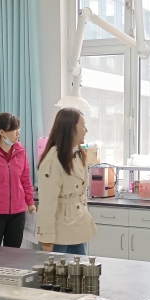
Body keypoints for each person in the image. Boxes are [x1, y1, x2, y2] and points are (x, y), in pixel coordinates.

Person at [36, 108, 97, 254]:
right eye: (82, 125)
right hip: (60, 231)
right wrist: (46, 238)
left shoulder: (78, 154)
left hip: (77, 225)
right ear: (70, 128)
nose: (86, 130)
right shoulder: (53, 160)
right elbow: (47, 203)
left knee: (81, 266)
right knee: (59, 268)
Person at [0, 113, 36, 248]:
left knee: (14, 253)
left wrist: (30, 202)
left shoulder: (20, 151)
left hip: (18, 211)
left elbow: (25, 179)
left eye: (18, 129)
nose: (18, 133)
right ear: (2, 132)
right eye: (14, 130)